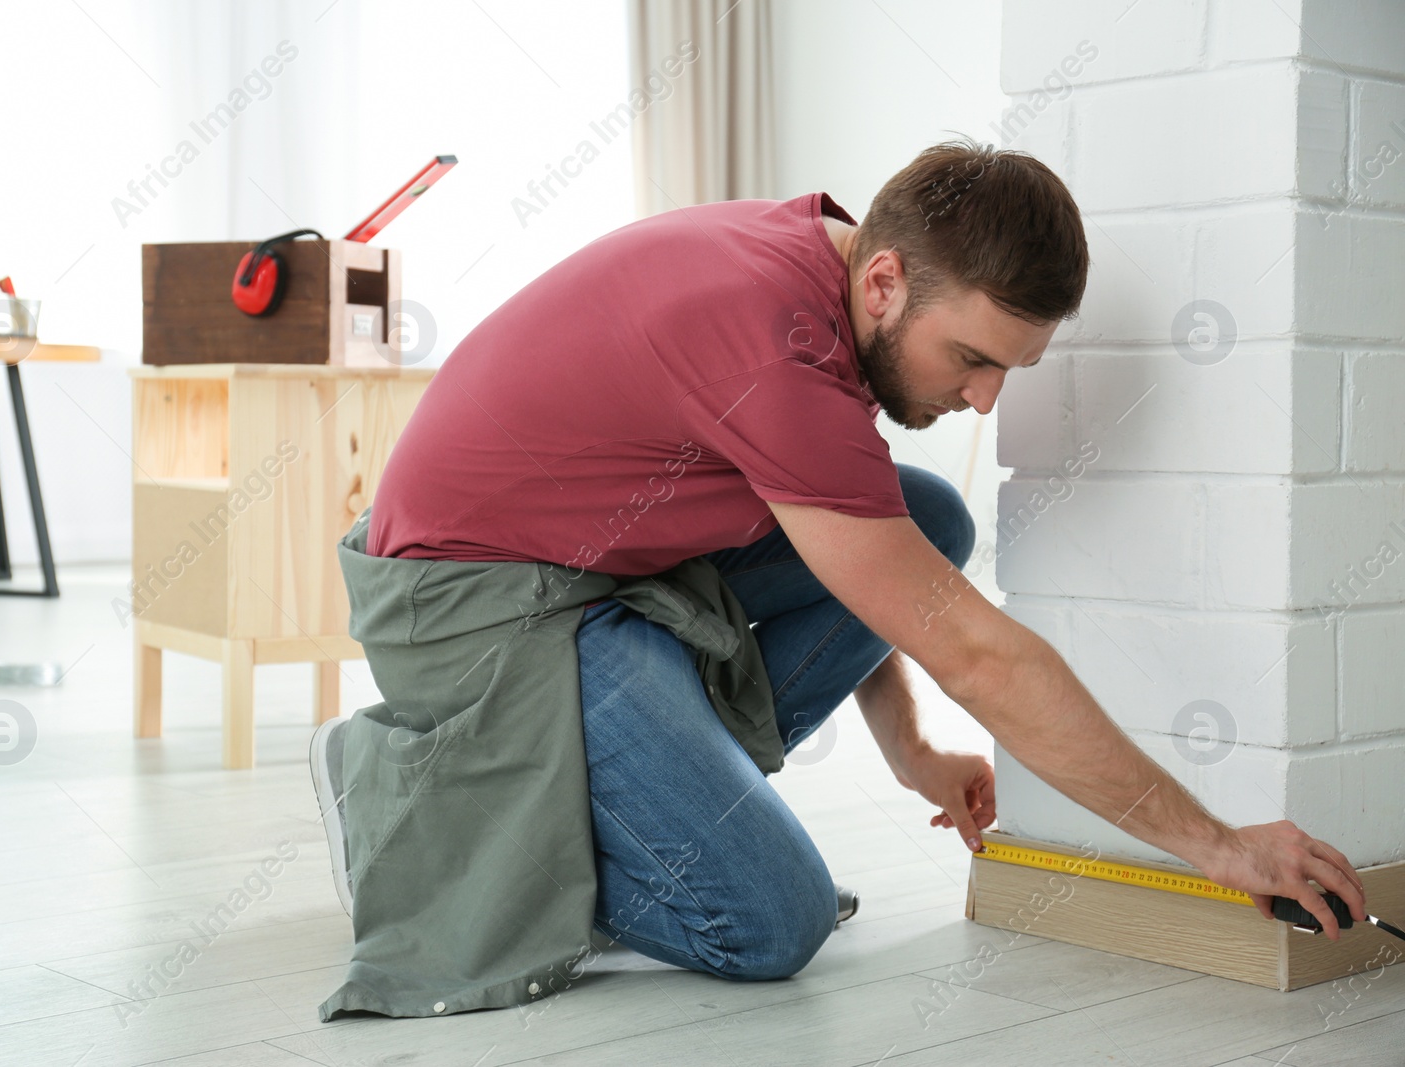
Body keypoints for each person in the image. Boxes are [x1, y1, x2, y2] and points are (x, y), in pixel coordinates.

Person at [315, 138, 1367, 1001]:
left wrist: (909, 749)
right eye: (972, 359)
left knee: (926, 514)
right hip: (481, 609)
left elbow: (867, 565)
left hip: (606, 577)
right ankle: (418, 807)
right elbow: (973, 649)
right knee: (769, 918)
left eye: (1008, 368)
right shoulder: (769, 344)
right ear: (882, 281)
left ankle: (658, 792)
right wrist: (1218, 845)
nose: (987, 398)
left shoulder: (821, 267)